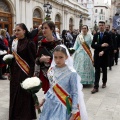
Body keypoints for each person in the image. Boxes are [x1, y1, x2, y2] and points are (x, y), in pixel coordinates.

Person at [38, 45, 88, 120]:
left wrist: (74, 111)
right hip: (50, 104)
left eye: (61, 57)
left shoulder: (72, 73)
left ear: (66, 57)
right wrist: (44, 99)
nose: (58, 60)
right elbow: (51, 88)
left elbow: (74, 92)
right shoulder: (51, 70)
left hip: (63, 105)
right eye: (55, 57)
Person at [9, 23, 36, 120]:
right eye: (15, 30)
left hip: (25, 73)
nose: (16, 32)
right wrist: (9, 71)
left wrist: (31, 75)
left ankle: (25, 116)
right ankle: (14, 115)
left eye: (18, 30)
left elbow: (33, 61)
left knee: (24, 95)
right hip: (15, 73)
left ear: (24, 31)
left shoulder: (29, 43)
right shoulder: (14, 42)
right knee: (14, 94)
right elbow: (12, 58)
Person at [35, 21, 61, 94]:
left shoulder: (58, 43)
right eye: (42, 28)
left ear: (52, 29)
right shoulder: (40, 42)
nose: (43, 30)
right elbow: (36, 58)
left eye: (46, 28)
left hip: (56, 72)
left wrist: (53, 59)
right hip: (44, 73)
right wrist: (40, 59)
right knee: (48, 94)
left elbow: (63, 59)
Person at [91, 21, 112, 94]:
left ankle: (104, 82)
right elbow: (92, 45)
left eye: (102, 25)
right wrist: (101, 46)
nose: (101, 26)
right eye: (100, 25)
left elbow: (110, 46)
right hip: (97, 55)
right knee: (97, 70)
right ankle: (96, 86)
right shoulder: (96, 35)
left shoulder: (108, 35)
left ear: (104, 26)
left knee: (104, 70)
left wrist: (103, 51)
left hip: (105, 55)